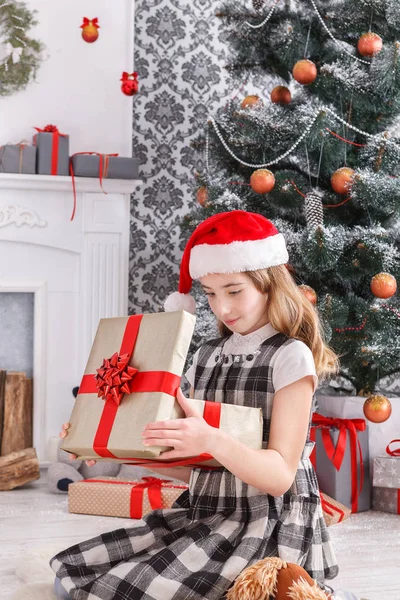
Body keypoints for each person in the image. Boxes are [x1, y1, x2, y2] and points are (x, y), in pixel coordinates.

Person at [53, 210, 340, 600]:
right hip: (206, 512)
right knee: (79, 574)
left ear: (270, 284)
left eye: (234, 291)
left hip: (263, 521)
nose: (222, 308)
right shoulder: (206, 356)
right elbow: (191, 467)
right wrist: (100, 444)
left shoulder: (290, 357)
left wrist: (212, 439)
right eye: (209, 293)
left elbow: (279, 477)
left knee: (137, 591)